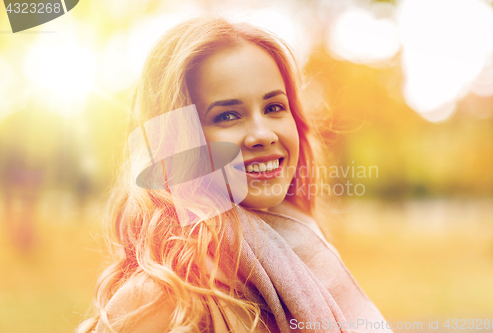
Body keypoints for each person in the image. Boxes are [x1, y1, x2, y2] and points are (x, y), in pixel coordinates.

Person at [77, 17, 392, 333]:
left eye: (273, 107)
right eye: (227, 115)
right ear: (180, 142)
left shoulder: (308, 255)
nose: (262, 134)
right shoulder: (159, 299)